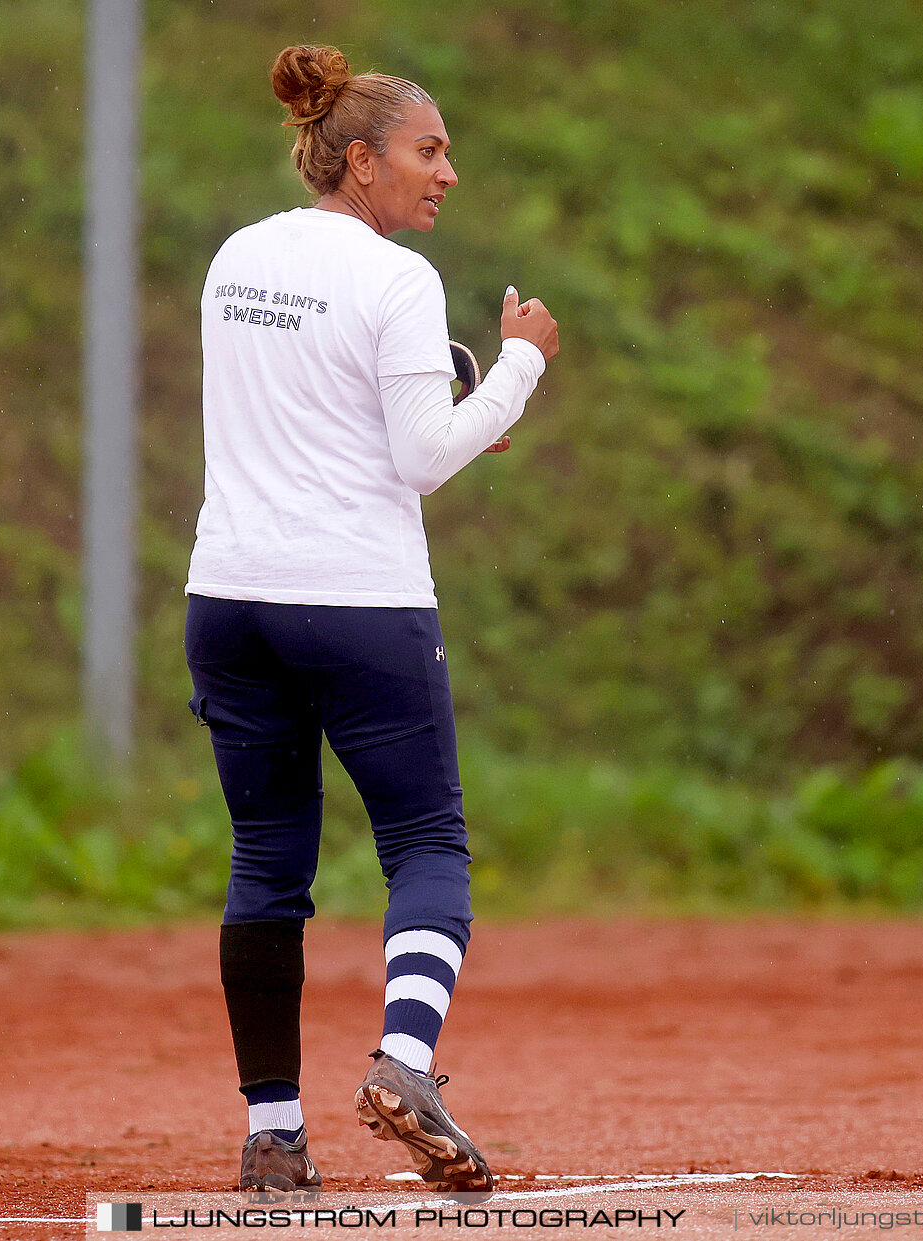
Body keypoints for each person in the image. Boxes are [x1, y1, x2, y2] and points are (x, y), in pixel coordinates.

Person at [184, 43, 560, 1205]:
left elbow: (306, 404)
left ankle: (276, 1137)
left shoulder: (239, 255)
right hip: (356, 598)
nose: (447, 172)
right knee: (427, 844)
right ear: (360, 159)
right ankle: (404, 1059)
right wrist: (517, 367)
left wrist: (447, 398)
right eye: (427, 150)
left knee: (266, 865)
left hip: (230, 596)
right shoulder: (396, 281)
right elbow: (421, 457)